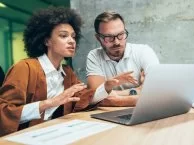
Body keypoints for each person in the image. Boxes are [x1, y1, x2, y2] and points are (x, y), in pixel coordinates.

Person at [0, 7, 135, 137]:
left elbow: (83, 100)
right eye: (63, 36)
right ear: (47, 40)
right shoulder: (25, 68)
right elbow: (4, 112)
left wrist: (106, 86)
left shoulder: (67, 72)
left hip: (55, 133)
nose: (72, 41)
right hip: (26, 137)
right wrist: (50, 102)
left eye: (73, 36)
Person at [86, 11, 160, 107]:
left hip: (143, 110)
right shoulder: (94, 56)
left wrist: (116, 99)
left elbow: (157, 92)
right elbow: (95, 97)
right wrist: (138, 90)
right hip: (108, 114)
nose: (117, 42)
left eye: (121, 34)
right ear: (98, 38)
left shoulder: (144, 51)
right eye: (109, 37)